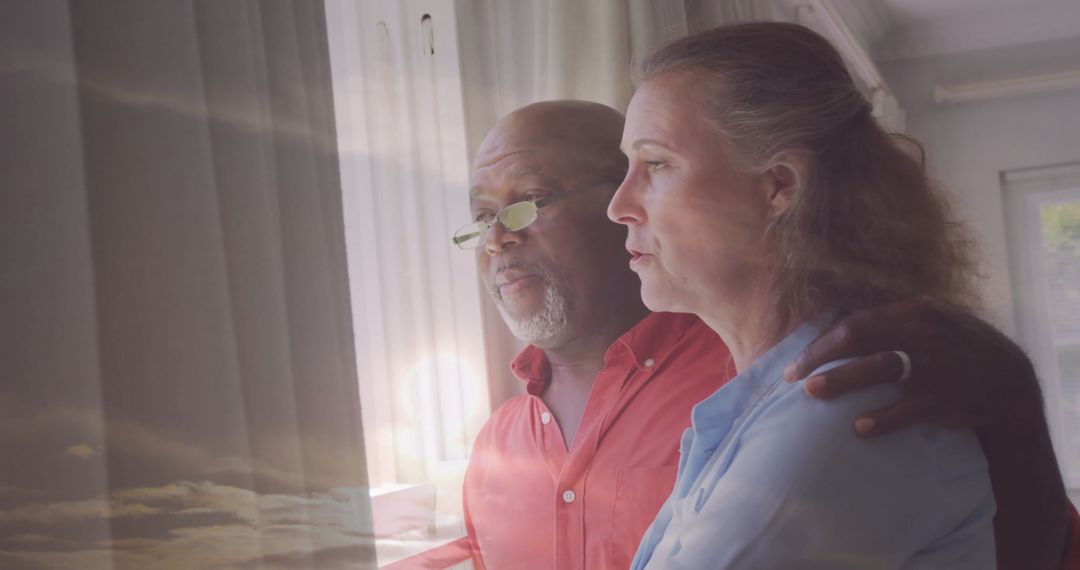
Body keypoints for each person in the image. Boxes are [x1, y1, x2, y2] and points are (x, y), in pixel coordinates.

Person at [456, 97, 1078, 567]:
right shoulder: (491, 452)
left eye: (529, 199)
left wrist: (1012, 402)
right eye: (482, 217)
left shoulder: (804, 369)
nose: (497, 237)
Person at [603, 21, 1073, 569]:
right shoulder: (772, 406)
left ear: (779, 185)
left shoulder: (844, 407)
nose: (618, 206)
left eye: (656, 163)